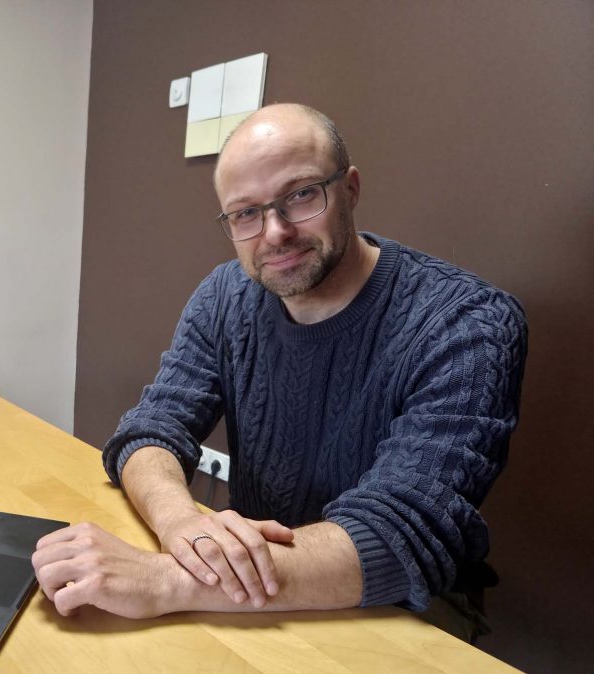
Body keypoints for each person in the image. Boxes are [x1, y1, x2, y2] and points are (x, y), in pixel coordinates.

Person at [33, 104, 527, 631]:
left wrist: (166, 580)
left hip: (402, 615)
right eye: (245, 213)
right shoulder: (225, 295)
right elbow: (151, 428)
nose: (274, 232)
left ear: (350, 189)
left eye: (301, 195)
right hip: (243, 586)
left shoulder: (468, 322)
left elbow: (397, 536)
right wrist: (180, 522)